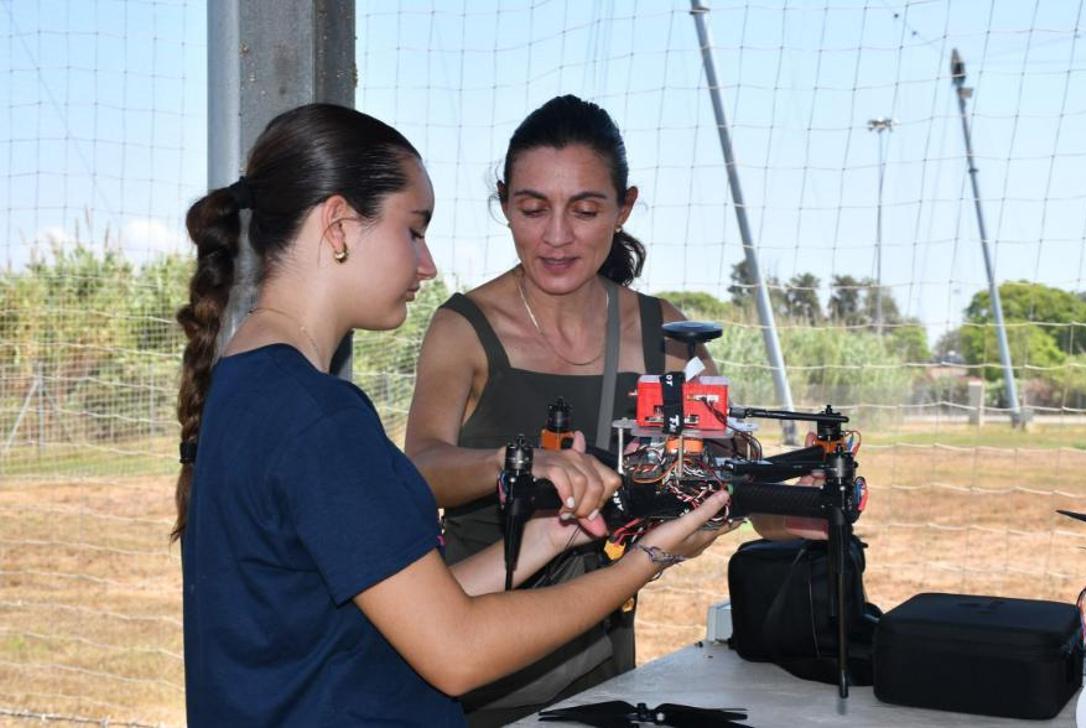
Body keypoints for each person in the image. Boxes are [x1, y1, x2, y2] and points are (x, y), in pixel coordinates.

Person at [172, 102, 730, 726]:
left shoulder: (253, 384)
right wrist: (647, 560)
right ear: (338, 225)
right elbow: (457, 650)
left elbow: (406, 606)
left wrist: (551, 536)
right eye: (413, 230)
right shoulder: (317, 417)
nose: (428, 263)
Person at [405, 95, 720, 726]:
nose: (556, 236)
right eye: (532, 209)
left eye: (585, 210)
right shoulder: (463, 327)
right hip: (477, 650)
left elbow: (716, 466)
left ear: (623, 208)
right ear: (504, 204)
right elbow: (422, 469)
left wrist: (782, 508)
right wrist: (522, 463)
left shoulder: (667, 332)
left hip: (602, 655)